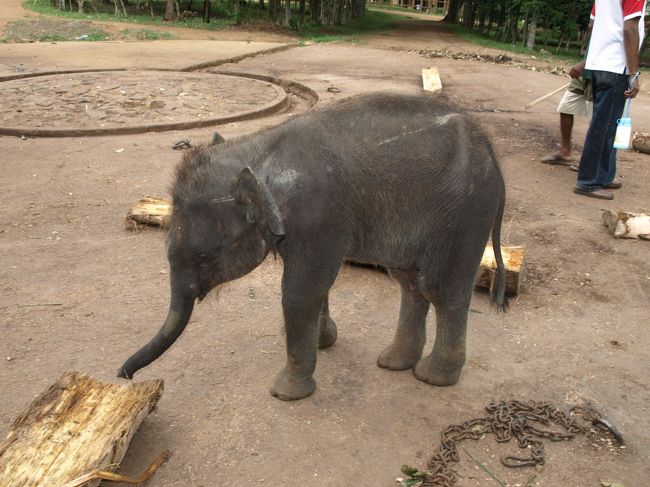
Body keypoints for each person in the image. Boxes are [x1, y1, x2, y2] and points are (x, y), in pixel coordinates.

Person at [573, 0, 646, 200]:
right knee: (603, 128)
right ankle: (589, 182)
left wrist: (588, 60)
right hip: (615, 66)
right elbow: (630, 28)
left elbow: (592, 25)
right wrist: (633, 73)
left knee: (607, 126)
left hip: (599, 64)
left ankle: (604, 176)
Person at [541, 60, 593, 165]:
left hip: (599, 74)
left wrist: (584, 63)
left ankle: (591, 162)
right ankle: (565, 152)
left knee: (596, 118)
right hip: (584, 73)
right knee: (566, 108)